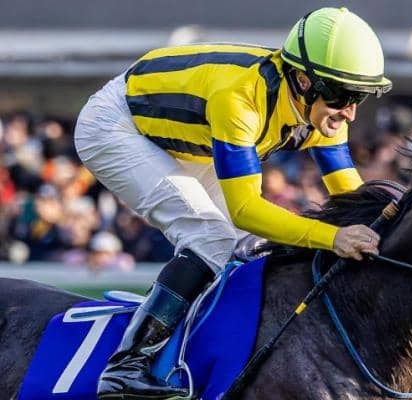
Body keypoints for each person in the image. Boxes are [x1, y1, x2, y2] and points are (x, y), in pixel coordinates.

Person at [73, 7, 392, 400]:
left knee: (246, 247)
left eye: (359, 96)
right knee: (212, 238)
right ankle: (126, 368)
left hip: (184, 138)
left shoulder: (321, 110)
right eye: (343, 95)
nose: (350, 112)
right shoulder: (241, 98)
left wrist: (390, 226)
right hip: (116, 126)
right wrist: (334, 237)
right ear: (304, 80)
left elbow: (350, 195)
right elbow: (246, 209)